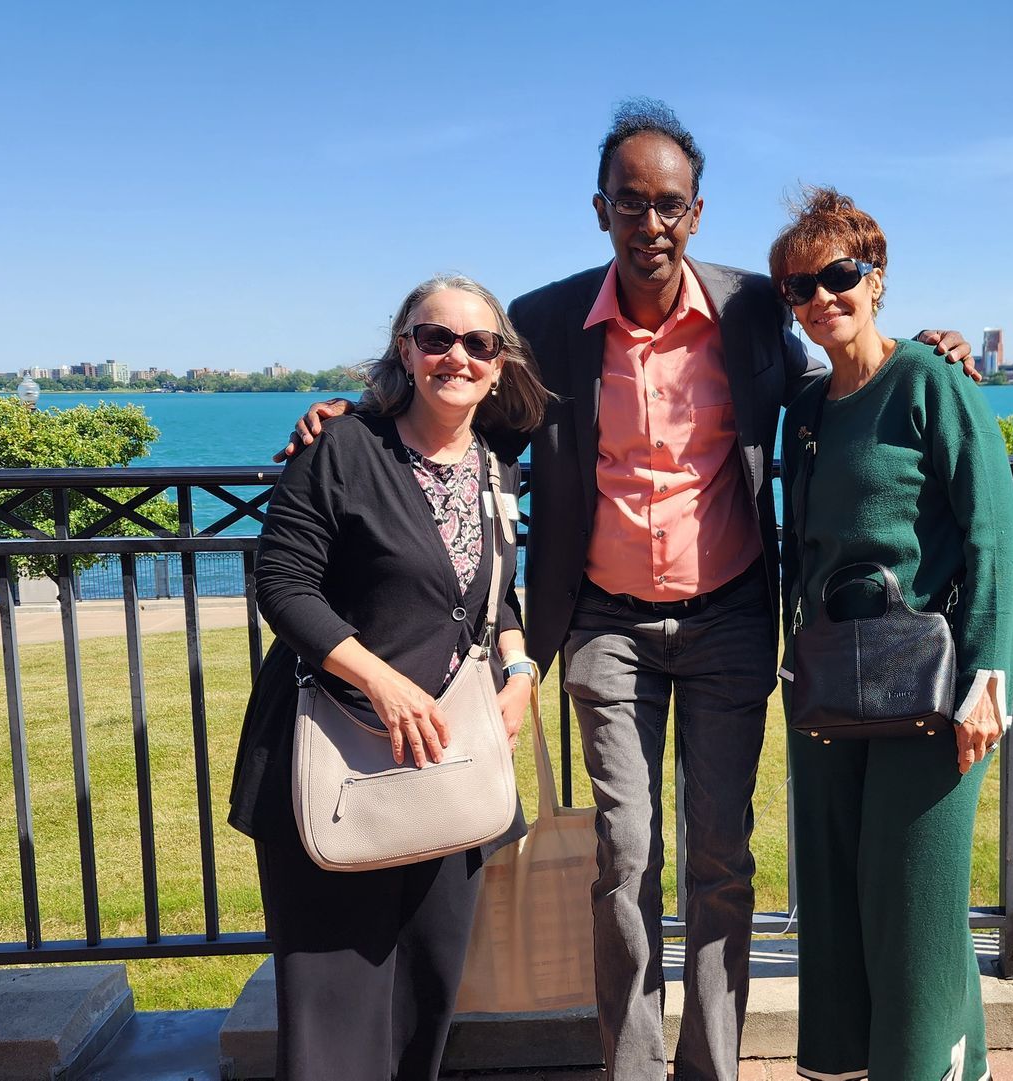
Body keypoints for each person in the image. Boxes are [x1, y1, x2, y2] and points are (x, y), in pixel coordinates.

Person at [276, 99, 973, 1081]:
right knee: (627, 858)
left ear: (697, 213)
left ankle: (711, 1070)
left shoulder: (749, 308)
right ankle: (635, 1070)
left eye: (671, 205)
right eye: (631, 203)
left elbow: (837, 374)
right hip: (606, 624)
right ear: (599, 209)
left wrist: (926, 347)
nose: (652, 223)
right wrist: (358, 413)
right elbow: (472, 412)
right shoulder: (554, 321)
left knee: (722, 862)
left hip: (731, 612)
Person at [229, 274, 550, 1080]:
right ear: (405, 348)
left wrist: (520, 666)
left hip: (449, 769)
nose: (457, 357)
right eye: (436, 337)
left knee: (427, 1000)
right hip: (340, 762)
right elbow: (283, 583)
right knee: (335, 1018)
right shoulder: (343, 447)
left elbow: (490, 595)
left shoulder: (495, 468)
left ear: (501, 362)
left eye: (479, 344)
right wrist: (378, 678)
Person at [773, 188, 1013, 1081]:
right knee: (839, 899)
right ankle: (867, 1066)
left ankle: (931, 1069)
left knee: (913, 894)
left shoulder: (930, 379)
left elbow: (995, 526)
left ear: (875, 278)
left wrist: (991, 672)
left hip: (932, 678)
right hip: (831, 682)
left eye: (840, 275)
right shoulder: (804, 412)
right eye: (801, 286)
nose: (822, 297)